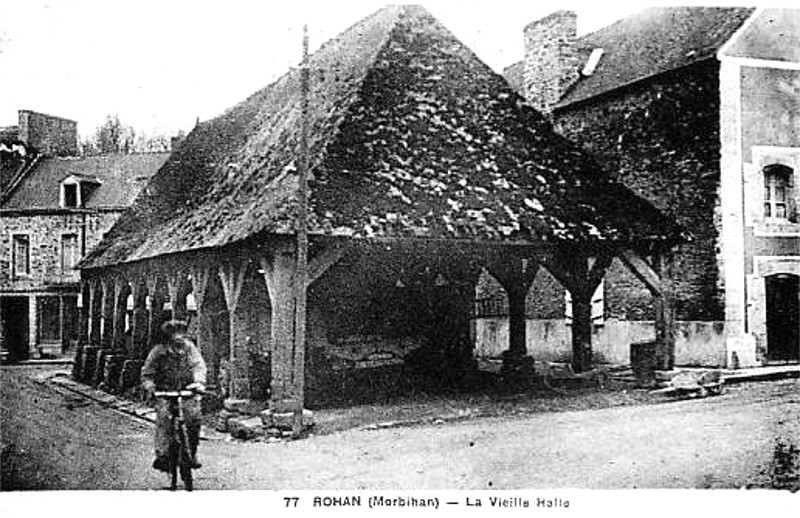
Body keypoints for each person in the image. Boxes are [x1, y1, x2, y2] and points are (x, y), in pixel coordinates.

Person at [141, 320, 207, 472]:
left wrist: (199, 382)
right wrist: (150, 387)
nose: (179, 339)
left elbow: (198, 365)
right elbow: (147, 373)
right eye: (174, 335)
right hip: (165, 391)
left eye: (181, 335)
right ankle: (162, 455)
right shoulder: (158, 351)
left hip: (187, 390)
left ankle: (192, 452)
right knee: (164, 417)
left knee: (194, 418)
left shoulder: (190, 349)